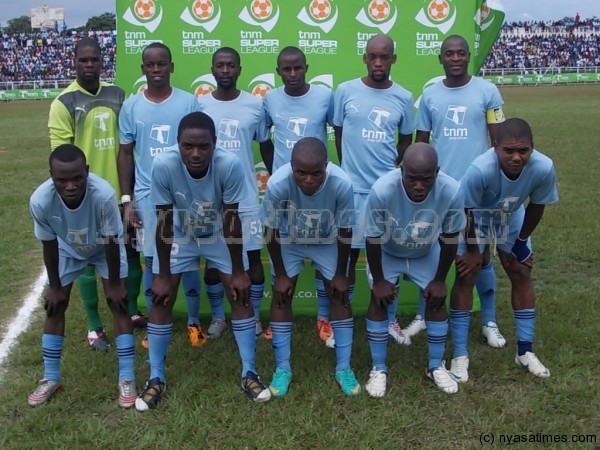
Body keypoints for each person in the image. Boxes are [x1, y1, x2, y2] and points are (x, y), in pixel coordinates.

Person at [135, 112, 271, 410]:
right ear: (178, 144)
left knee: (240, 292)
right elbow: (164, 221)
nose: (195, 154)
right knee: (161, 298)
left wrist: (237, 271)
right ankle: (156, 377)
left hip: (218, 230)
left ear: (215, 144)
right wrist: (162, 274)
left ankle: (249, 371)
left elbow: (232, 217)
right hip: (180, 232)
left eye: (203, 146)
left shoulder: (230, 164)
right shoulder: (164, 164)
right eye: (187, 146)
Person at [408, 34, 507, 347]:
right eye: (448, 53)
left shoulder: (487, 91)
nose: (455, 58)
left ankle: (489, 321)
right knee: (430, 255)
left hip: (478, 190)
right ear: (440, 58)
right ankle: (424, 315)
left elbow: (499, 142)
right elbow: (421, 143)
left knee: (482, 256)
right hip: (438, 190)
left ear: (468, 57)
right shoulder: (430, 96)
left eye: (460, 53)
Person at [48, 36, 145, 351]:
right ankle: (94, 326)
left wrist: (127, 194)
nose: (89, 65)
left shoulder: (118, 95)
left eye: (95, 60)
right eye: (83, 60)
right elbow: (62, 156)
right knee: (90, 261)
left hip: (119, 194)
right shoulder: (63, 103)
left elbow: (128, 146)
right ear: (74, 62)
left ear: (103, 62)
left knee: (129, 255)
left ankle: (129, 313)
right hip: (85, 198)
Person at [448, 118, 558, 383]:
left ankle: (524, 351)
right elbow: (466, 210)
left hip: (511, 217)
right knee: (466, 274)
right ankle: (460, 356)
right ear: (495, 146)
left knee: (521, 273)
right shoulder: (480, 169)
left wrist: (519, 244)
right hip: (476, 218)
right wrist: (474, 251)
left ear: (533, 147)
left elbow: (537, 206)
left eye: (523, 150)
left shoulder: (543, 167)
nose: (516, 157)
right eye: (509, 150)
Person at [28, 144, 136, 408]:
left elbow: (111, 239)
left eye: (77, 178)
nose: (71, 185)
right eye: (62, 180)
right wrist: (54, 286)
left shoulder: (103, 194)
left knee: (118, 302)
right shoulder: (40, 200)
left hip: (103, 247)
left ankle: (127, 377)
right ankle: (51, 377)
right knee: (55, 306)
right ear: (51, 176)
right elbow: (49, 244)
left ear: (86, 172)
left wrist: (112, 284)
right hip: (67, 247)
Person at [118, 42, 205, 347]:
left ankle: (194, 323)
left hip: (186, 194)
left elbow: (200, 148)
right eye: (150, 65)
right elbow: (126, 154)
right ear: (143, 68)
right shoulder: (131, 106)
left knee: (188, 259)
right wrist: (128, 200)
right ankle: (157, 322)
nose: (156, 69)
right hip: (147, 195)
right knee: (154, 260)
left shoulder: (188, 102)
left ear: (171, 66)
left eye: (161, 64)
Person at [364, 143, 465, 396]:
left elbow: (451, 237)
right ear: (401, 171)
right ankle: (378, 368)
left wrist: (440, 279)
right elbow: (373, 238)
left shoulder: (452, 190)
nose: (419, 186)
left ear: (437, 172)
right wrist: (378, 281)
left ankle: (435, 366)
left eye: (426, 179)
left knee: (436, 300)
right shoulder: (382, 190)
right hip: (388, 252)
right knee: (378, 302)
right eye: (412, 179)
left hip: (425, 252)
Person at [262, 137, 360, 397]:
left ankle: (344, 368)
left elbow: (345, 229)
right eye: (301, 173)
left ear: (326, 167)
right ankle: (283, 369)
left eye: (316, 173)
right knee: (282, 296)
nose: (308, 179)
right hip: (289, 240)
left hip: (327, 240)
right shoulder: (278, 183)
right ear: (290, 166)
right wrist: (281, 275)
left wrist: (341, 273)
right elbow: (270, 230)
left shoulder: (342, 183)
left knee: (339, 294)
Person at [333, 34, 414, 345]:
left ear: (393, 59)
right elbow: (339, 134)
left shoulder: (404, 97)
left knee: (387, 261)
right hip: (352, 193)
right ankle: (342, 321)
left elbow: (405, 142)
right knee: (348, 259)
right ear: (365, 58)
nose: (378, 63)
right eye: (372, 57)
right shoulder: (346, 91)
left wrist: (387, 174)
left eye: (385, 57)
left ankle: (389, 321)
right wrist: (350, 172)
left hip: (385, 195)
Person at [260, 46, 336, 348]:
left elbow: (339, 130)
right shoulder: (271, 99)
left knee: (323, 252)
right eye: (286, 69)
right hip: (286, 192)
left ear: (306, 67)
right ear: (278, 71)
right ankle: (277, 318)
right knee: (278, 252)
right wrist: (277, 172)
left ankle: (324, 316)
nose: (292, 74)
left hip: (317, 188)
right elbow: (265, 141)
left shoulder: (324, 97)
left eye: (297, 68)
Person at [197, 47, 270, 339]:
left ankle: (252, 317)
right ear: (212, 70)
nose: (225, 70)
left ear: (240, 69)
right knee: (214, 261)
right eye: (219, 65)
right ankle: (218, 316)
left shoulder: (255, 105)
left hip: (246, 197)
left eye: (230, 65)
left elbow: (265, 144)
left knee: (252, 259)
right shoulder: (200, 105)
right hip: (209, 197)